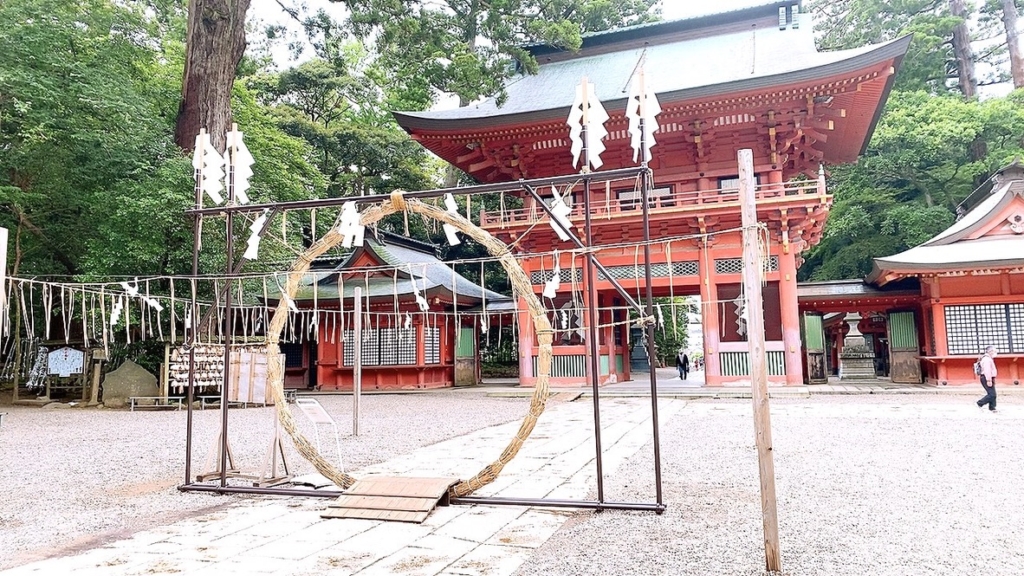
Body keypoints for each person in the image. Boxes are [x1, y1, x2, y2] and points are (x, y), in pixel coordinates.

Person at [977, 345, 998, 412]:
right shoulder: (987, 359)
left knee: (992, 393)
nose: (995, 352)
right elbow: (987, 370)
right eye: (994, 351)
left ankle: (992, 407)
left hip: (987, 377)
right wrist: (989, 380)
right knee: (992, 394)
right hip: (986, 377)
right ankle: (980, 403)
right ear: (990, 351)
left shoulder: (987, 358)